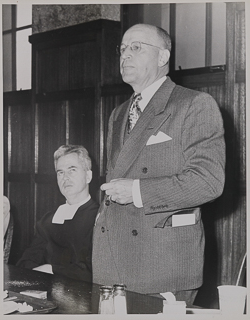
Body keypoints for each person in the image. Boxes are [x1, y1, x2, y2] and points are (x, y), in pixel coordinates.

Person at [92, 24, 225, 305]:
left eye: (136, 47)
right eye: (123, 49)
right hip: (111, 260)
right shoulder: (118, 113)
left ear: (163, 57)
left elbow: (208, 180)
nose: (125, 55)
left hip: (159, 264)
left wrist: (138, 192)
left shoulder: (194, 104)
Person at [17, 145, 99, 281]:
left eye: (72, 170)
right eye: (60, 172)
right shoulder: (47, 220)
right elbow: (27, 261)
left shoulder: (99, 218)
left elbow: (92, 271)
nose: (65, 178)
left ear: (88, 176)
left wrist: (51, 270)